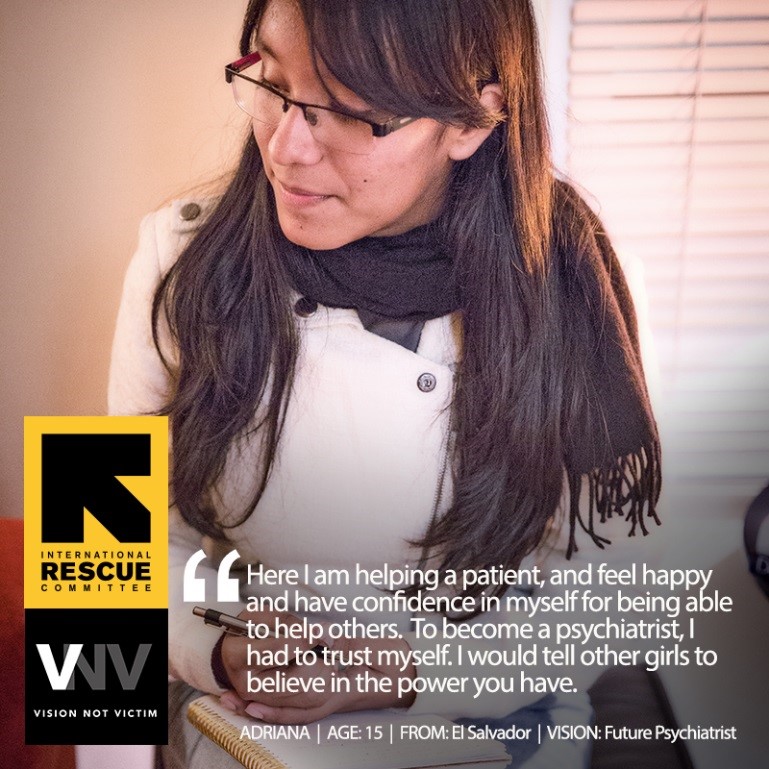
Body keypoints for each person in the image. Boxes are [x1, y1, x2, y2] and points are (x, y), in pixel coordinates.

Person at [108, 0, 661, 766]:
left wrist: (402, 669)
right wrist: (217, 649)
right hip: (244, 710)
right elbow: (95, 546)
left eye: (349, 111)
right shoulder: (180, 251)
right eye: (272, 80)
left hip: (487, 714)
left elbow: (608, 597)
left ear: (470, 120)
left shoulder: (575, 285)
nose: (286, 147)